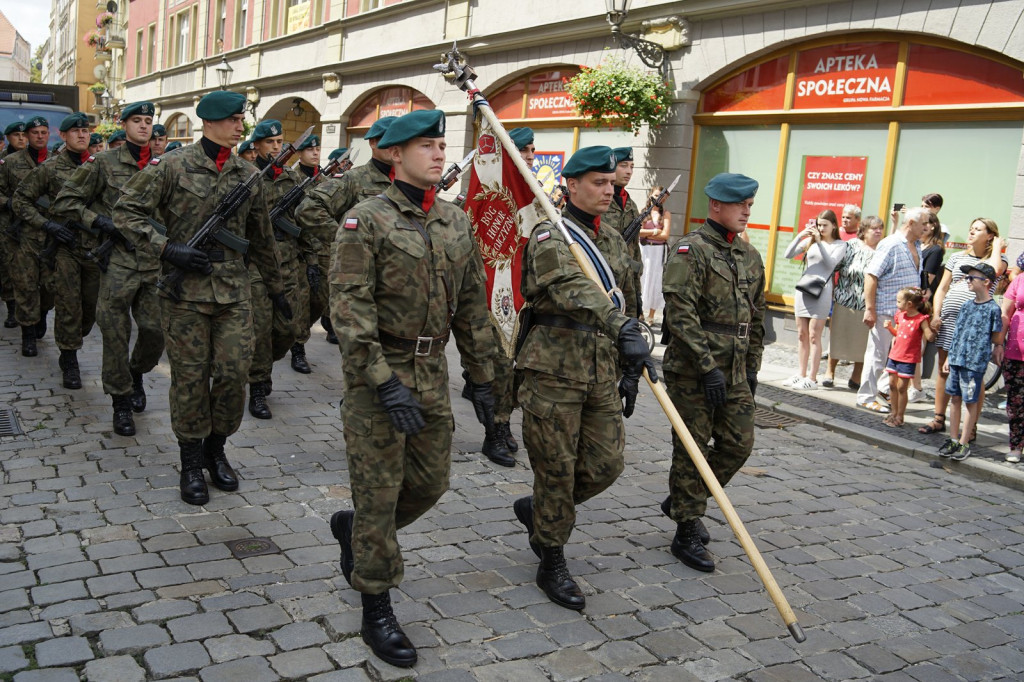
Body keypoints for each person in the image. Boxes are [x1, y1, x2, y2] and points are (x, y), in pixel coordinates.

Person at [326, 110, 497, 668]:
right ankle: (376, 602)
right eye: (427, 146)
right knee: (378, 494)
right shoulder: (364, 220)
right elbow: (350, 311)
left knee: (430, 483)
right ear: (394, 154)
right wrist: (381, 382)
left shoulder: (453, 221)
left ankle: (358, 534)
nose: (440, 155)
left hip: (431, 374)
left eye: (443, 145)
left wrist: (484, 377)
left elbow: (472, 306)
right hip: (380, 374)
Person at [113, 90, 289, 505]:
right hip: (185, 293)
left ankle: (217, 450)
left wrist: (278, 290)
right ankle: (191, 461)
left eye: (240, 120)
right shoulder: (172, 166)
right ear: (210, 122)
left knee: (232, 374)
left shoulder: (248, 174)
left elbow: (262, 238)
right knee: (190, 379)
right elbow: (126, 212)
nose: (239, 127)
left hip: (233, 291)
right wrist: (166, 247)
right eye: (232, 120)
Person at [511, 145, 651, 610]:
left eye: (612, 183)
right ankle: (551, 556)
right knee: (555, 468)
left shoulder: (612, 237)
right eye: (598, 183)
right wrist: (619, 325)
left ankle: (542, 512)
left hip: (601, 368)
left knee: (607, 463)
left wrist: (634, 360)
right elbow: (569, 289)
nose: (609, 191)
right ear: (571, 185)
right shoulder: (551, 235)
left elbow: (625, 297)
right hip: (553, 370)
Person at [660, 172, 764, 572]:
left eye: (750, 205)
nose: (746, 212)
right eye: (741, 205)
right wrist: (706, 367)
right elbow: (680, 313)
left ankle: (685, 500)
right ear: (716, 205)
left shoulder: (748, 255)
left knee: (739, 444)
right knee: (692, 448)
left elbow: (756, 318)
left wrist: (751, 370)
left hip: (734, 370)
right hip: (693, 370)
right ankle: (686, 528)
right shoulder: (691, 249)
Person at [49, 101, 163, 436]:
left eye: (148, 121)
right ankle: (121, 401)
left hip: (154, 263)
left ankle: (137, 371)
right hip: (116, 263)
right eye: (137, 121)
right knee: (115, 335)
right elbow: (66, 202)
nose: (144, 127)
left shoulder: (165, 165)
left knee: (155, 330)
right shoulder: (103, 163)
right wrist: (99, 222)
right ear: (123, 125)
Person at [13, 112, 100, 389]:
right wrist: (47, 225)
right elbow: (20, 200)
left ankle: (72, 339)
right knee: (67, 304)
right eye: (75, 131)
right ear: (63, 136)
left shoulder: (101, 166)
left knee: (90, 309)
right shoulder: (50, 169)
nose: (82, 135)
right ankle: (69, 358)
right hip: (64, 248)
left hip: (96, 250)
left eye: (85, 130)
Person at [295, 116, 396, 349]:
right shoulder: (354, 179)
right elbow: (308, 209)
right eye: (386, 140)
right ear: (372, 143)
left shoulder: (409, 182)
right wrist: (348, 240)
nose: (394, 146)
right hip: (361, 275)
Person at [245, 119, 317, 419]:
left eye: (279, 142)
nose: (275, 147)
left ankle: (265, 365)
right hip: (257, 267)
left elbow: (306, 222)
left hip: (289, 263)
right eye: (269, 142)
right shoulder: (247, 177)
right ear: (257, 146)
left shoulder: (292, 179)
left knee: (289, 328)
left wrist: (312, 260)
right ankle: (258, 385)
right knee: (261, 329)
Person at [920, 218, 1006, 435]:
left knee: (974, 374)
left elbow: (993, 270)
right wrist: (936, 314)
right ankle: (939, 418)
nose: (971, 232)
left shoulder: (999, 259)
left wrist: (996, 247)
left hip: (976, 325)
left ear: (990, 235)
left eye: (978, 229)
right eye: (971, 228)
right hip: (950, 321)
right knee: (943, 368)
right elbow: (942, 288)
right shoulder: (958, 257)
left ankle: (971, 425)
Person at [858, 207, 927, 414]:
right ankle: (866, 396)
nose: (927, 227)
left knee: (897, 356)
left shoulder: (916, 245)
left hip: (906, 315)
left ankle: (881, 389)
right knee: (877, 355)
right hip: (886, 310)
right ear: (911, 223)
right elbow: (871, 275)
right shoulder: (890, 244)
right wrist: (870, 309)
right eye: (924, 223)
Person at [2, 116, 55, 357]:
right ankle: (28, 335)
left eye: (44, 132)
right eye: (35, 133)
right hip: (21, 234)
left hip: (52, 234)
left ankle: (42, 313)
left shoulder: (58, 162)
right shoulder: (10, 162)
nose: (39, 136)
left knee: (49, 286)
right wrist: (11, 203)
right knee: (25, 286)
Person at [937, 263, 1002, 461]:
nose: (968, 281)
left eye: (972, 278)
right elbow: (957, 333)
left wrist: (996, 349)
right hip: (957, 359)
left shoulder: (993, 309)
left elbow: (996, 336)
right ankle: (953, 438)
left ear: (986, 282)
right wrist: (949, 356)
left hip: (974, 363)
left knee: (970, 401)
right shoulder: (966, 305)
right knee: (955, 398)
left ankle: (965, 441)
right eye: (967, 277)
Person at [782, 209, 846, 390]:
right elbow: (788, 254)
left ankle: (812, 377)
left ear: (834, 225)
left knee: (813, 335)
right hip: (804, 290)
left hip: (822, 291)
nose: (821, 228)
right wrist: (801, 235)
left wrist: (819, 241)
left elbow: (831, 263)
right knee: (801, 334)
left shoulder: (840, 245)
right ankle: (800, 374)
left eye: (825, 225)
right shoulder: (811, 241)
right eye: (819, 225)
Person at [824, 216, 883, 389]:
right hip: (845, 299)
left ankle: (856, 377)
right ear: (864, 230)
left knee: (863, 342)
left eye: (881, 228)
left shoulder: (882, 250)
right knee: (838, 337)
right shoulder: (851, 246)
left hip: (868, 303)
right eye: (874, 228)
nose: (878, 231)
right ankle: (830, 371)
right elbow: (834, 267)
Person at [882, 287, 934, 427]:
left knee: (901, 388)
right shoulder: (900, 315)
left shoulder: (921, 319)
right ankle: (893, 413)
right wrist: (890, 328)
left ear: (909, 304)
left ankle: (900, 416)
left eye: (899, 301)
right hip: (895, 354)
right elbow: (898, 333)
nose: (896, 304)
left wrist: (933, 330)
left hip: (908, 358)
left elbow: (929, 335)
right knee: (892, 385)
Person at [603, 147, 643, 314]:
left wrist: (637, 292)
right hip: (604, 281)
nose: (629, 172)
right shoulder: (601, 200)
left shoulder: (631, 205)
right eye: (623, 165)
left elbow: (635, 251)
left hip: (627, 288)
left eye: (632, 167)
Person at [0, 121, 29, 328]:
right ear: (8, 138)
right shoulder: (3, 162)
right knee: (7, 265)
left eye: (23, 134)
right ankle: (12, 308)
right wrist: (9, 203)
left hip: (30, 220)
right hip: (7, 220)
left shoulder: (33, 160)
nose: (21, 138)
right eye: (16, 135)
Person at [1000, 262, 1024, 463]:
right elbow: (1005, 314)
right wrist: (998, 343)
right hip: (1015, 352)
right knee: (1015, 402)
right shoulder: (1019, 280)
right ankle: (1016, 446)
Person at [639, 185, 671, 326]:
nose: (658, 198)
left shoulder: (666, 214)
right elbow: (637, 232)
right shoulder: (643, 212)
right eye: (656, 195)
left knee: (655, 281)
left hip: (658, 251)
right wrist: (654, 232)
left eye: (661, 196)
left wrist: (648, 234)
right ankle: (640, 313)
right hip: (645, 249)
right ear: (651, 196)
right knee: (642, 279)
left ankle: (651, 315)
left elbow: (665, 235)